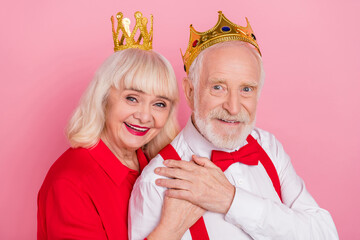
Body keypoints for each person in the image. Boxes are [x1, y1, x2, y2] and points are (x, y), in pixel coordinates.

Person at [128, 11, 339, 239]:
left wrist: (231, 200)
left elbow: (325, 233)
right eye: (218, 87)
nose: (234, 107)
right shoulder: (157, 182)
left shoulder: (269, 147)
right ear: (190, 92)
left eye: (246, 89)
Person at [37, 11, 197, 239]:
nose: (144, 116)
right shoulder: (70, 183)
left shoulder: (152, 165)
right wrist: (170, 230)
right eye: (132, 98)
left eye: (159, 104)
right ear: (103, 99)